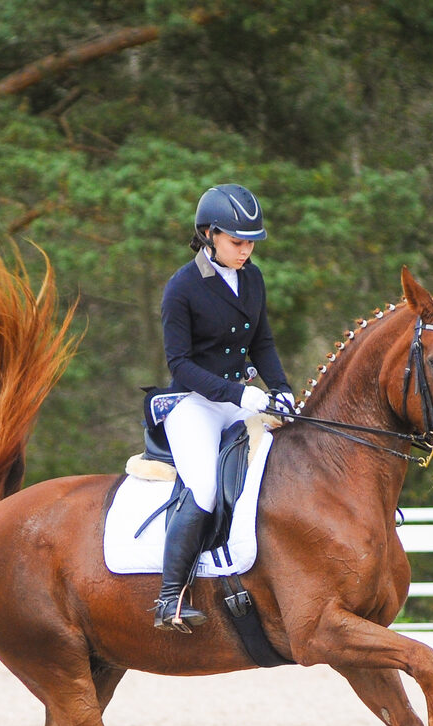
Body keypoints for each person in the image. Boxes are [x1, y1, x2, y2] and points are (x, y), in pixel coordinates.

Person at [153, 183, 295, 630]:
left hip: (241, 398)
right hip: (193, 402)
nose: (246, 251)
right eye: (237, 241)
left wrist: (282, 387)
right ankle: (168, 599)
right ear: (210, 234)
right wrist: (238, 395)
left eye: (251, 242)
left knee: (291, 456)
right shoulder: (183, 287)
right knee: (205, 488)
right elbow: (179, 363)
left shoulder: (252, 277)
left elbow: (263, 341)